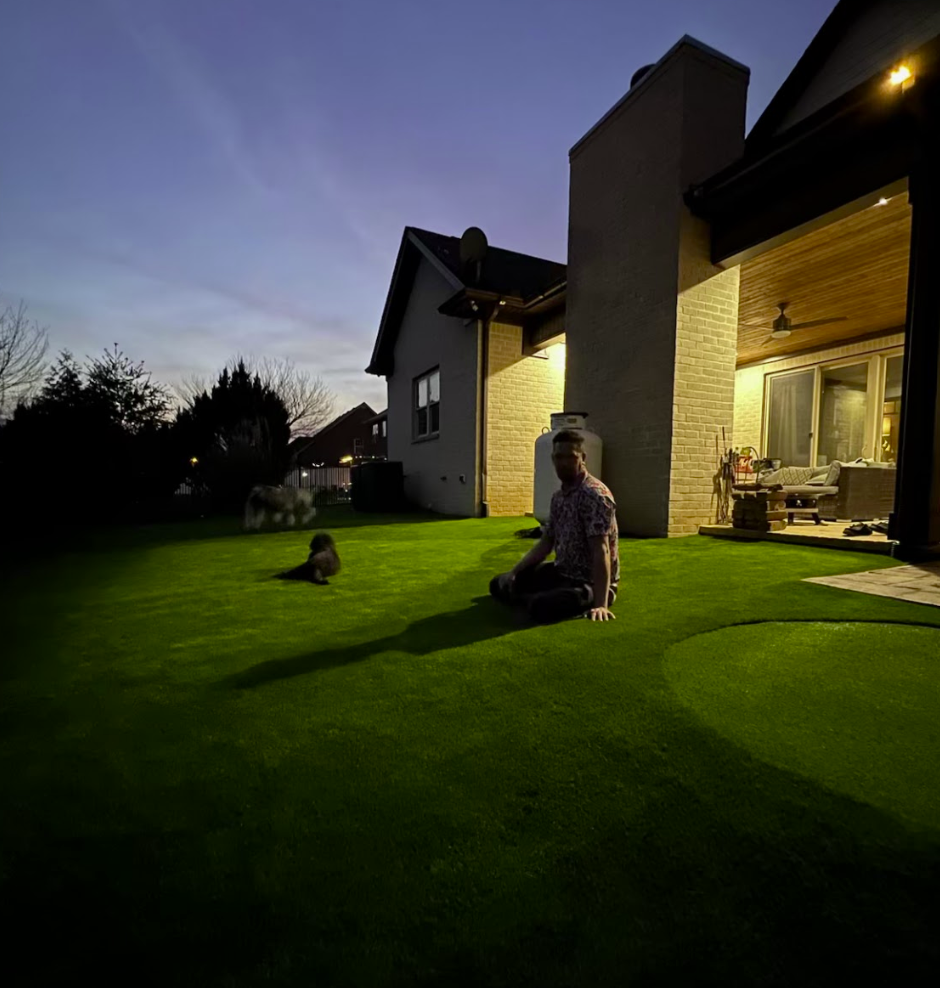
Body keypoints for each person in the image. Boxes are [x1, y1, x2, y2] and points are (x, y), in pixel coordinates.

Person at [489, 429, 619, 623]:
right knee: (499, 583)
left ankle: (534, 601)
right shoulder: (558, 498)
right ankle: (528, 597)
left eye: (571, 457)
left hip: (587, 582)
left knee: (540, 606)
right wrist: (515, 572)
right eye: (559, 457)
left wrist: (601, 604)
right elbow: (545, 543)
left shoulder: (595, 495)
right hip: (562, 572)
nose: (564, 463)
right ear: (552, 459)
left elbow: (601, 551)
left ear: (582, 458)